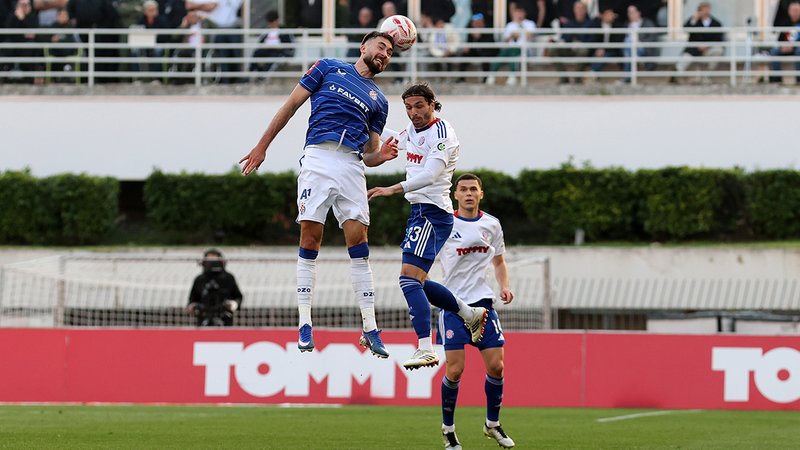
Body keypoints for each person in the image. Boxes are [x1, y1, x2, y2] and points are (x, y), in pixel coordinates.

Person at [238, 31, 399, 358]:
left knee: (359, 243)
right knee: (311, 238)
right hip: (319, 159)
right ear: (363, 47)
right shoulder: (327, 67)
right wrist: (262, 146)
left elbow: (370, 152)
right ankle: (304, 323)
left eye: (391, 52)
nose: (384, 54)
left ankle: (370, 326)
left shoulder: (379, 101)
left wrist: (379, 158)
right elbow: (291, 105)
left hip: (352, 165)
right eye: (381, 47)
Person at [367, 83, 488, 371]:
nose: (414, 112)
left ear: (433, 104)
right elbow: (395, 136)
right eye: (408, 107)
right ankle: (469, 314)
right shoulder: (414, 132)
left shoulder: (443, 133)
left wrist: (392, 188)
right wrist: (366, 114)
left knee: (408, 281)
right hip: (421, 212)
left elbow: (432, 174)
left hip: (432, 213)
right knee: (417, 282)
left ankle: (425, 348)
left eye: (419, 106)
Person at [436, 173, 515, 450]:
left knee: (497, 366)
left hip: (483, 305)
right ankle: (448, 430)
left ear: (481, 194)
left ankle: (492, 424)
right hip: (452, 306)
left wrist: (504, 286)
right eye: (463, 189)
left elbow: (499, 261)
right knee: (455, 371)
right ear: (455, 195)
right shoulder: (444, 223)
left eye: (473, 189)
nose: (468, 193)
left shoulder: (491, 224)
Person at [187, 248, 243, 326]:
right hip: (203, 317)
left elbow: (238, 297)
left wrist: (233, 304)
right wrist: (192, 306)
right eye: (209, 261)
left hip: (224, 318)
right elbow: (192, 299)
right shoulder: (200, 279)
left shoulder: (228, 278)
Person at [670, 2, 724, 84]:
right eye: (703, 9)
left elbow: (718, 39)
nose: (705, 11)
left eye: (707, 8)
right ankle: (676, 76)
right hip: (694, 49)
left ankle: (707, 76)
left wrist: (708, 45)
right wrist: (694, 19)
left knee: (718, 51)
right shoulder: (694, 21)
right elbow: (686, 29)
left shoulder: (716, 23)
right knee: (685, 58)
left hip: (709, 49)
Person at [486, 5, 536, 85]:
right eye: (517, 13)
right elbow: (505, 40)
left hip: (524, 49)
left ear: (524, 13)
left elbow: (530, 35)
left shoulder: (530, 23)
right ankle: (491, 76)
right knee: (501, 56)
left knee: (513, 54)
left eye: (521, 12)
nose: (519, 14)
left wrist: (521, 28)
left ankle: (512, 76)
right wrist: (513, 35)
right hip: (509, 48)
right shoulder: (510, 25)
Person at [250, 9, 295, 75]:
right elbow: (260, 43)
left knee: (274, 56)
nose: (271, 24)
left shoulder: (284, 31)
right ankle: (252, 73)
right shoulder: (266, 31)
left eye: (272, 21)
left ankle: (263, 75)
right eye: (269, 22)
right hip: (267, 49)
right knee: (256, 53)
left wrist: (282, 48)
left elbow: (290, 46)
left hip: (279, 51)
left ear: (277, 20)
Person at [768, 1, 800, 83]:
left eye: (796, 11)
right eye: (792, 11)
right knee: (774, 51)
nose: (794, 13)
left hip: (797, 48)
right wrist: (784, 45)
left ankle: (799, 78)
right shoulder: (785, 23)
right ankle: (776, 79)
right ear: (788, 12)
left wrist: (793, 46)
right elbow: (775, 28)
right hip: (785, 46)